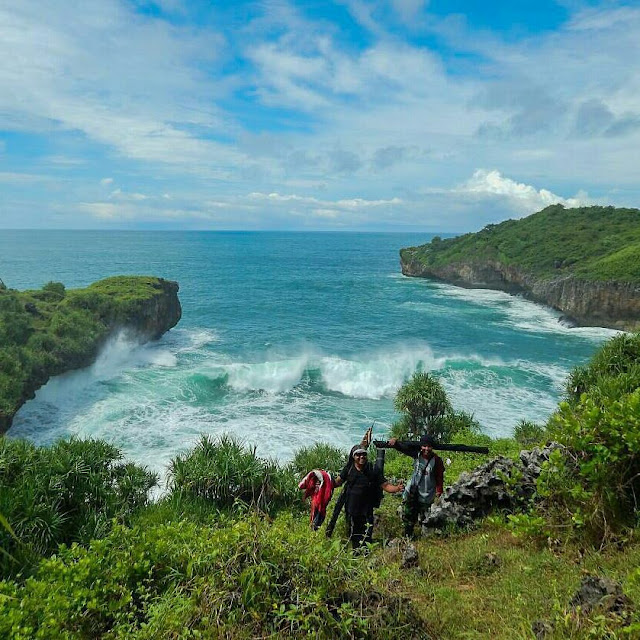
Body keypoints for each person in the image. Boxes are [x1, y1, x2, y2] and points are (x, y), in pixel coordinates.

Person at [333, 447, 404, 549]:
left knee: (367, 534)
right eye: (358, 455)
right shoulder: (349, 469)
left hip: (366, 511)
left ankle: (366, 554)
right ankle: (355, 554)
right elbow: (337, 482)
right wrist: (323, 482)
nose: (362, 456)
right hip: (351, 510)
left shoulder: (372, 469)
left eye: (364, 454)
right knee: (353, 535)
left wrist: (397, 488)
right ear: (353, 457)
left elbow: (385, 485)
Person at [388, 434, 444, 538]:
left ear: (432, 447)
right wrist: (396, 443)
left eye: (429, 446)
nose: (426, 449)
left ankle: (424, 539)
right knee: (409, 517)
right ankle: (408, 537)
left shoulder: (436, 461)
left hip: (426, 495)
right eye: (424, 446)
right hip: (413, 493)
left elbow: (439, 478)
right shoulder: (417, 455)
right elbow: (403, 449)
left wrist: (439, 492)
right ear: (421, 446)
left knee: (424, 519)